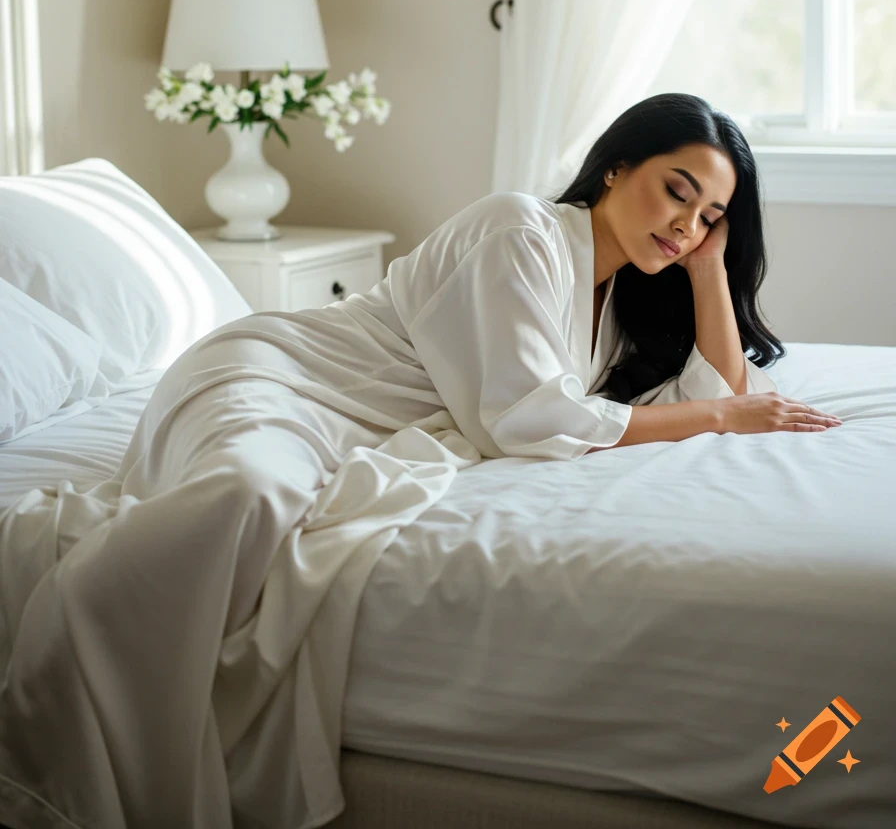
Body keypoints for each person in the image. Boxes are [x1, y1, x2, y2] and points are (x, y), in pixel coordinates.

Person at [0, 92, 840, 829]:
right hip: (279, 380)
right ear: (617, 169)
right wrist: (723, 413)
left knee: (272, 509)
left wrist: (708, 273)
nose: (685, 223)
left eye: (708, 215)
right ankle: (50, 686)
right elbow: (530, 416)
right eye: (677, 192)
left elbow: (719, 388)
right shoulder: (521, 228)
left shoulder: (618, 303)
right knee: (248, 497)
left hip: (355, 427)